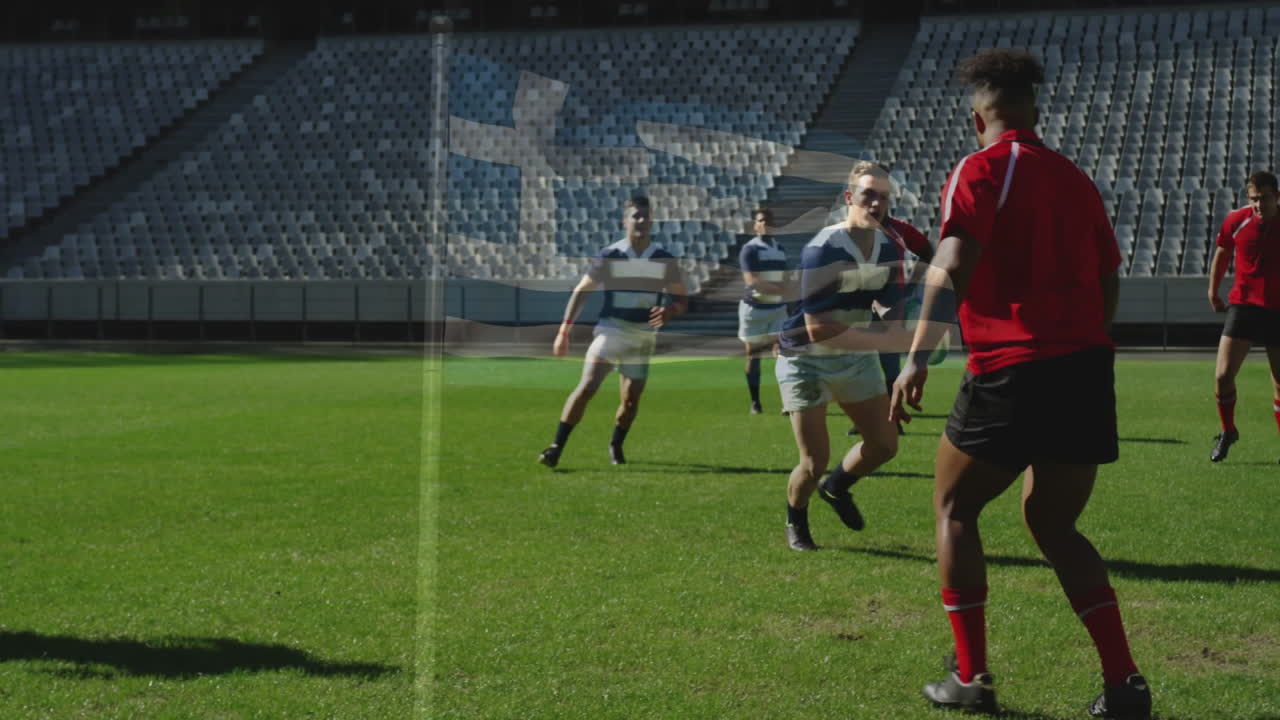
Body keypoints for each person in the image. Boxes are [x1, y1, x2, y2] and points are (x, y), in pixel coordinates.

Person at [889, 49, 1151, 718]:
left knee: (955, 511)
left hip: (1012, 366)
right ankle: (1125, 685)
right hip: (1085, 368)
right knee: (1055, 523)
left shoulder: (980, 170)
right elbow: (1110, 278)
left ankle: (971, 679)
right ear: (1034, 110)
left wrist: (918, 353)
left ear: (977, 115)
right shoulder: (1075, 178)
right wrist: (1084, 341)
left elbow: (949, 262)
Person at [777, 160, 907, 552]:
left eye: (883, 197)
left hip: (854, 351)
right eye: (868, 194)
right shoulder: (824, 249)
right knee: (813, 461)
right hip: (806, 357)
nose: (876, 203)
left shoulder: (889, 248)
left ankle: (836, 488)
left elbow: (891, 310)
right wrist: (882, 337)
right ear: (850, 198)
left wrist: (900, 329)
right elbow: (817, 328)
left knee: (885, 445)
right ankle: (795, 519)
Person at [538, 196, 687, 468]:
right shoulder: (610, 255)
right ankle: (555, 447)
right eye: (635, 216)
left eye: (645, 216)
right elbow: (581, 291)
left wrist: (670, 311)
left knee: (630, 401)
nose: (641, 221)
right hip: (611, 331)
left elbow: (681, 299)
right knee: (587, 386)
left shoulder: (663, 259)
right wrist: (564, 331)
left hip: (642, 336)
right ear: (625, 221)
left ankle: (616, 444)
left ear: (652, 221)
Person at [1206, 170, 1280, 463]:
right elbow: (1222, 253)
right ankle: (1228, 430)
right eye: (1253, 199)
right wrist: (1213, 291)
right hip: (1244, 306)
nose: (1258, 205)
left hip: (1278, 309)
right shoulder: (1237, 220)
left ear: (1277, 196)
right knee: (1223, 375)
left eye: (1264, 199)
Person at [849, 212, 933, 436]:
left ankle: (892, 418)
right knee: (861, 364)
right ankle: (864, 420)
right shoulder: (855, 229)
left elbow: (927, 252)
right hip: (860, 304)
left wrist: (912, 285)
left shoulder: (900, 229)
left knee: (888, 365)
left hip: (891, 304)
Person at [738, 208, 791, 415]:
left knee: (783, 353)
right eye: (761, 220)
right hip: (755, 309)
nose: (765, 224)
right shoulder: (750, 249)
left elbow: (785, 276)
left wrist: (787, 288)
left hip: (777, 308)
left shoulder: (780, 248)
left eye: (768, 220)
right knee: (753, 355)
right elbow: (752, 281)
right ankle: (755, 402)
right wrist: (781, 289)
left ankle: (788, 402)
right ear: (755, 224)